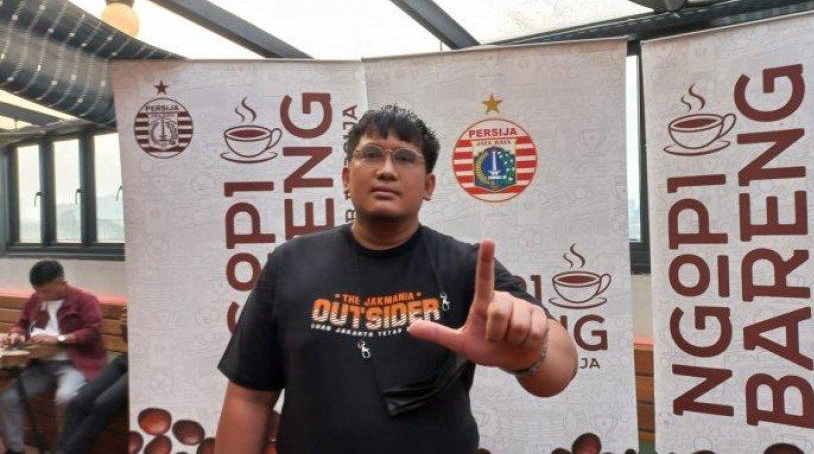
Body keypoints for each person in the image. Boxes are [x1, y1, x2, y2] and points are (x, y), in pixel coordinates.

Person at [215, 105, 578, 454]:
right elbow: (249, 397)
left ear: (429, 186)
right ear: (346, 178)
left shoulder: (464, 266)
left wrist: (529, 356)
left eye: (405, 158)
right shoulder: (291, 264)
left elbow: (560, 367)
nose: (387, 170)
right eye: (371, 154)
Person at [0, 260, 108, 454]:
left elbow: (92, 331)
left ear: (63, 283)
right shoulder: (36, 299)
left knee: (66, 398)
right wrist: (17, 334)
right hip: (40, 365)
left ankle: (65, 450)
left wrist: (59, 338)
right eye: (37, 291)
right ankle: (15, 450)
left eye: (46, 291)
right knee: (9, 398)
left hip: (75, 364)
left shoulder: (85, 300)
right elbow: (22, 323)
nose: (41, 296)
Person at [58, 307, 128, 454]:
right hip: (129, 357)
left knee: (103, 404)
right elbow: (130, 341)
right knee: (78, 402)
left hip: (153, 365)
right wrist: (126, 327)